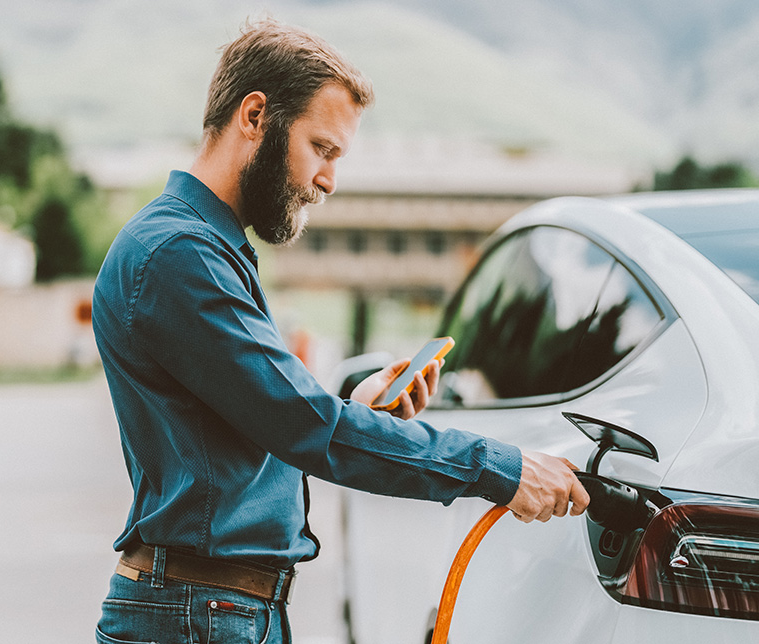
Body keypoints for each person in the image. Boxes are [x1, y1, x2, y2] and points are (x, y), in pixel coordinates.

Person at [91, 18, 589, 644]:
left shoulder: (202, 247)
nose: (328, 180)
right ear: (255, 116)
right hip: (199, 615)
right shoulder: (179, 255)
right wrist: (501, 469)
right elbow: (302, 426)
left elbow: (258, 425)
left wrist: (350, 407)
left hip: (212, 610)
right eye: (321, 149)